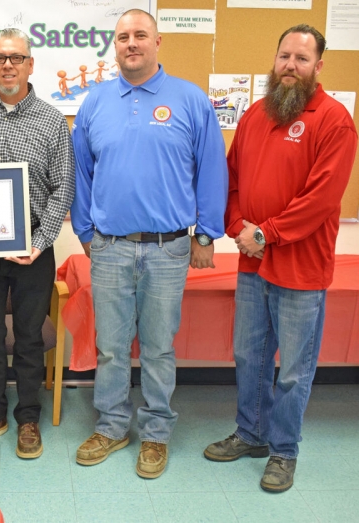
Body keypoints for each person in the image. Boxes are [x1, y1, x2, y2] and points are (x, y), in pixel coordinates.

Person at [70, 9, 228, 478]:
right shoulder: (95, 102)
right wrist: (85, 234)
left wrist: (205, 233)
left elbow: (212, 170)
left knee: (158, 347)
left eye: (140, 35)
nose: (131, 43)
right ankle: (114, 425)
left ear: (158, 42)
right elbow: (82, 175)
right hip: (110, 248)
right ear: (114, 46)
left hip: (169, 249)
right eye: (123, 37)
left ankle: (156, 433)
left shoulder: (190, 100)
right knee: (112, 346)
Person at [204, 25, 357, 492]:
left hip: (301, 271)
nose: (291, 65)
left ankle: (284, 451)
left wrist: (265, 234)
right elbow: (230, 182)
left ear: (318, 67)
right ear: (275, 59)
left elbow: (322, 200)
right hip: (253, 265)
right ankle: (251, 434)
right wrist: (238, 230)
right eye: (284, 56)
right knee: (249, 357)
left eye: (302, 59)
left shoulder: (334, 120)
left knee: (293, 369)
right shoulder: (253, 116)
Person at [0, 28, 75, 459]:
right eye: (0, 57)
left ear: (30, 65)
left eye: (16, 57)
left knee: (27, 338)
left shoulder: (52, 119)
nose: (8, 64)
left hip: (33, 251)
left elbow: (64, 189)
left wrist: (39, 243)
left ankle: (27, 418)